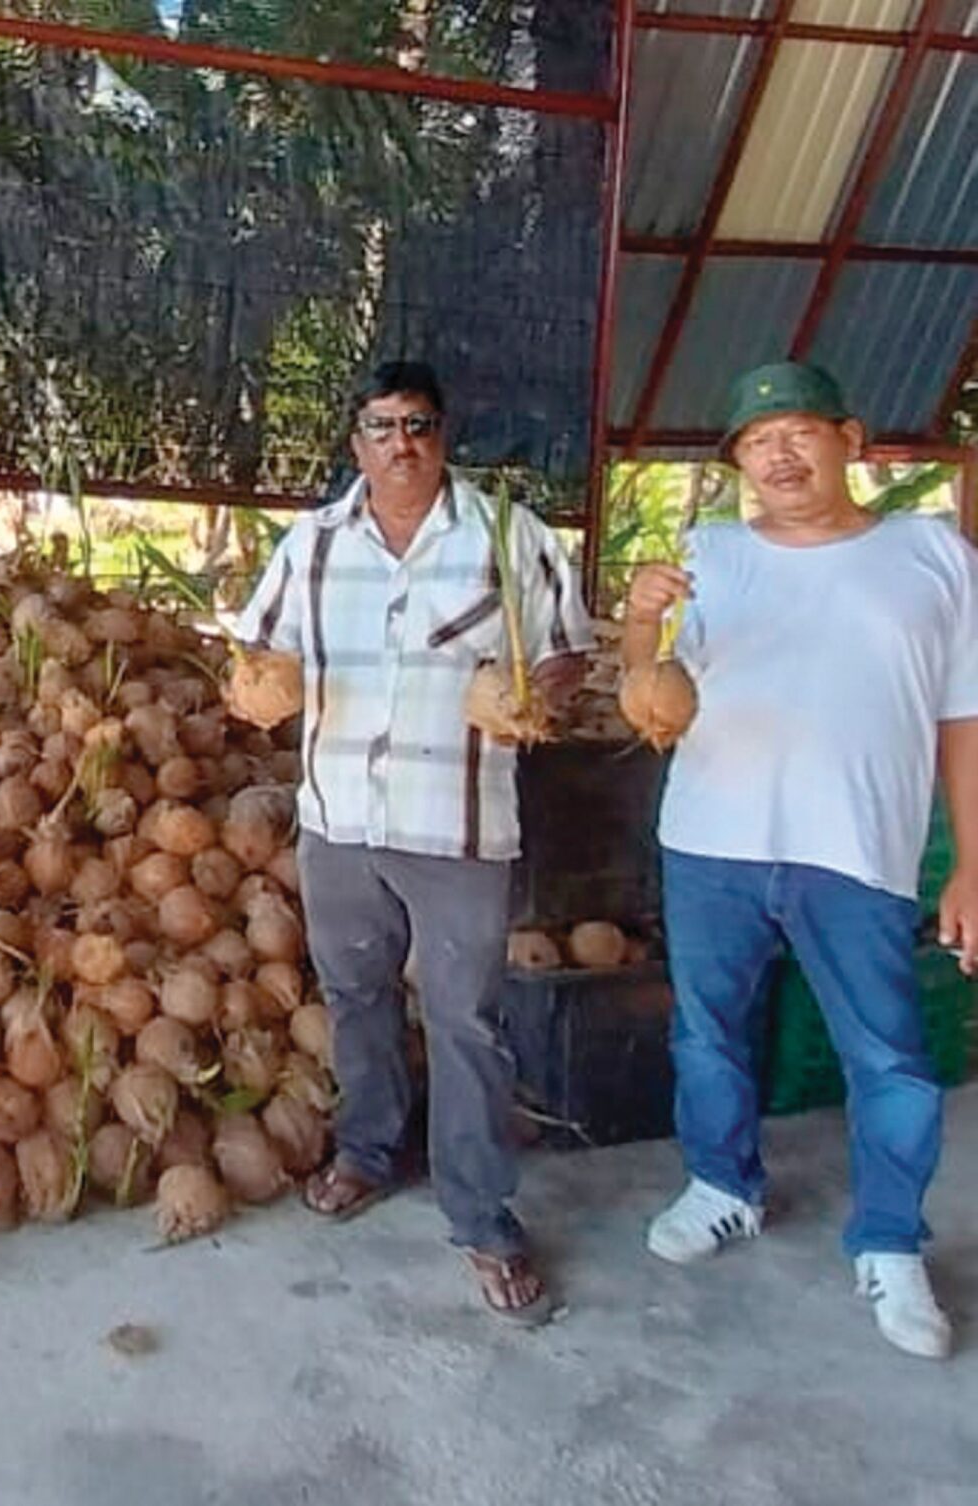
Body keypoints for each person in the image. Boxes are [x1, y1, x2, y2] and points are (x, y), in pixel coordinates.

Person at [630, 361, 978, 1360]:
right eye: (755, 439)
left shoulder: (932, 555)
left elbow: (963, 717)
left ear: (850, 438)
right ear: (738, 461)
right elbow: (647, 697)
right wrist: (646, 620)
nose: (777, 452)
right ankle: (721, 1185)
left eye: (798, 431)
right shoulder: (710, 553)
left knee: (891, 1058)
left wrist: (969, 865)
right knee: (708, 1034)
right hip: (710, 841)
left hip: (857, 847)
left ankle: (889, 1244)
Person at [231, 360, 590, 1324]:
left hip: (460, 822)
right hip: (340, 815)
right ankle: (367, 1152)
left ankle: (481, 1214)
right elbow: (255, 645)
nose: (401, 442)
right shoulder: (310, 546)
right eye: (382, 426)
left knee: (467, 1017)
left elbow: (566, 651)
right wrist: (260, 683)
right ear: (357, 443)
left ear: (444, 436)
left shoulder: (508, 539)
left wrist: (537, 697)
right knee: (354, 995)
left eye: (418, 424)